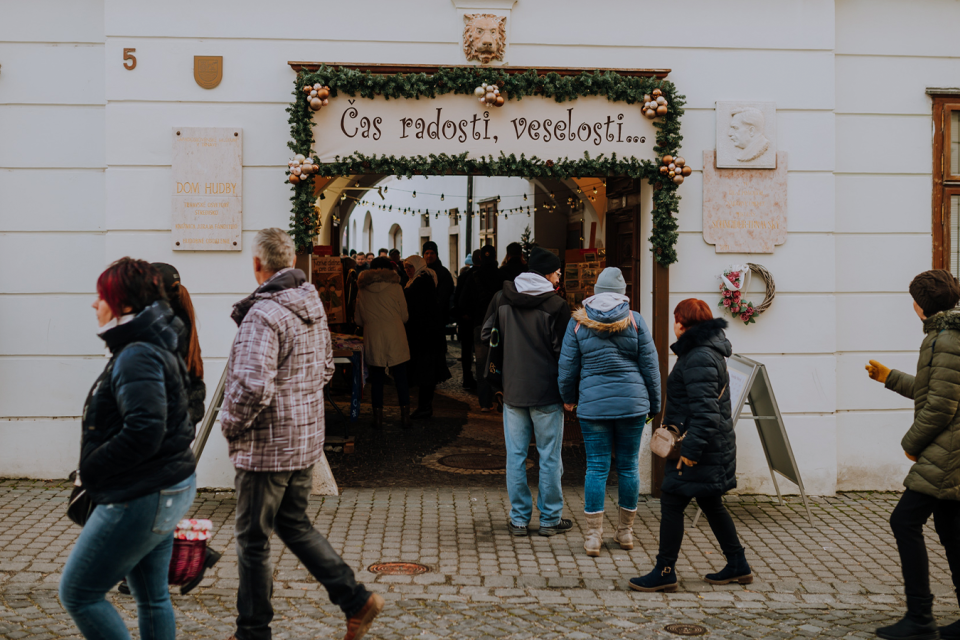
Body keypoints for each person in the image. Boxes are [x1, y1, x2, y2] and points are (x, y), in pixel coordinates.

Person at [220, 228, 383, 640]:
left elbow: (253, 386)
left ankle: (252, 632)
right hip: (304, 441)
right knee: (293, 524)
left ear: (258, 264)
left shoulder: (264, 314)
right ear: (291, 261)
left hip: (267, 448)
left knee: (253, 540)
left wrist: (231, 425)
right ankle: (355, 599)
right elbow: (327, 370)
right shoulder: (311, 305)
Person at [60, 258, 197, 640]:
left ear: (120, 304)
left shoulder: (137, 352)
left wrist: (92, 470)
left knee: (79, 593)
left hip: (141, 494)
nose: (93, 304)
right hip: (165, 484)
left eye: (100, 296)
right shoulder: (151, 340)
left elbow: (145, 430)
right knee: (152, 598)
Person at [629, 299, 751, 593]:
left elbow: (706, 414)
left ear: (682, 323)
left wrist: (690, 454)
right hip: (708, 447)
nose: (674, 324)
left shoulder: (698, 356)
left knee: (671, 501)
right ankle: (737, 564)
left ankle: (665, 571)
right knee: (710, 502)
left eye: (675, 319)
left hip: (699, 450)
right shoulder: (704, 351)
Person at [865, 270, 960, 640]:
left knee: (904, 522)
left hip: (946, 453)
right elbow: (934, 388)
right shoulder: (946, 334)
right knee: (952, 531)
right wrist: (889, 377)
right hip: (951, 450)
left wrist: (911, 444)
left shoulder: (944, 338)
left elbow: (939, 405)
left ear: (919, 306)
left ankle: (920, 618)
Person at [557, 268, 661, 557]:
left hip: (593, 407)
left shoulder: (578, 322)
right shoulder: (635, 320)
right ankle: (625, 533)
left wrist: (568, 398)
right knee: (628, 467)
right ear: (622, 292)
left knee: (597, 468)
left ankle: (593, 537)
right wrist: (654, 404)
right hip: (632, 405)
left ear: (596, 290)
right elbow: (650, 367)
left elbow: (567, 367)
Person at [482, 247, 572, 536]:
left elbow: (487, 335)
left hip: (513, 389)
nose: (559, 276)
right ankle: (549, 520)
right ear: (547, 273)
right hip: (547, 391)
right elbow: (565, 352)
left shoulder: (501, 297)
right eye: (558, 271)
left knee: (516, 456)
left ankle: (519, 519)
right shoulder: (557, 306)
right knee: (549, 457)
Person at [356, 257, 412, 429]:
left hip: (374, 337)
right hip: (395, 336)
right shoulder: (396, 287)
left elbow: (358, 320)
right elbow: (405, 316)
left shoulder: (363, 290)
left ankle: (378, 418)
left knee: (377, 379)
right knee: (401, 377)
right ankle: (405, 417)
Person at [403, 254, 451, 419]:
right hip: (426, 334)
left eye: (410, 267)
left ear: (417, 265)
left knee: (426, 372)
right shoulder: (421, 279)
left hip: (426, 335)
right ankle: (424, 406)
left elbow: (417, 307)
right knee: (425, 372)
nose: (408, 270)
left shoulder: (422, 281)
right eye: (406, 267)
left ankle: (425, 407)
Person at [463, 245, 501, 411]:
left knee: (482, 364)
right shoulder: (503, 276)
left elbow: (464, 301)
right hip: (502, 324)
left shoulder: (474, 277)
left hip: (480, 323)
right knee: (503, 361)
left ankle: (485, 402)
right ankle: (501, 397)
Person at [453, 249, 482, 391]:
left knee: (466, 351)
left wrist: (461, 313)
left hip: (466, 319)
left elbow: (457, 297)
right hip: (478, 319)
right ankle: (480, 378)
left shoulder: (464, 275)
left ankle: (467, 377)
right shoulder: (483, 275)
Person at [423, 240, 454, 328]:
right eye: (427, 253)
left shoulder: (443, 272)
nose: (429, 256)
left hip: (439, 316)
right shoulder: (420, 271)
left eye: (432, 253)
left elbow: (445, 293)